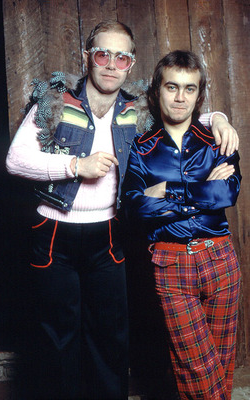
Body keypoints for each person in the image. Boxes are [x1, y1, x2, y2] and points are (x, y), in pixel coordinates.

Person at [6, 19, 238, 399]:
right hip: (54, 234)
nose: (111, 64)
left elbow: (179, 110)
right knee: (57, 337)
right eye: (103, 54)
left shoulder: (134, 110)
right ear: (87, 58)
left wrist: (219, 119)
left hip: (109, 233)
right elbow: (15, 160)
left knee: (111, 338)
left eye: (122, 57)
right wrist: (75, 167)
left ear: (130, 64)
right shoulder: (54, 101)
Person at [122, 50, 241, 400]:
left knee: (220, 362)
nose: (180, 97)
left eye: (189, 89)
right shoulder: (141, 149)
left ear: (198, 95)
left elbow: (228, 192)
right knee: (195, 366)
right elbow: (135, 206)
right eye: (172, 87)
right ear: (157, 91)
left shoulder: (217, 140)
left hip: (219, 259)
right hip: (170, 264)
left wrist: (167, 191)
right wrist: (203, 193)